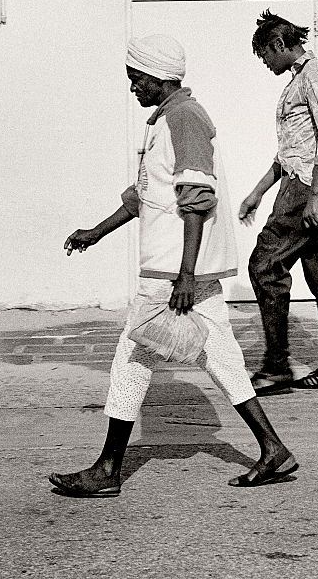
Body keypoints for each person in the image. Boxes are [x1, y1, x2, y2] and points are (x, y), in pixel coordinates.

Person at [49, 34, 297, 497]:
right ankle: (272, 448)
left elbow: (196, 199)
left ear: (157, 77)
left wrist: (185, 274)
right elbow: (145, 196)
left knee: (132, 356)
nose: (132, 87)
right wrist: (96, 232)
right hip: (180, 270)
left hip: (172, 272)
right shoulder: (167, 119)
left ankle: (108, 469)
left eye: (135, 78)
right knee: (221, 356)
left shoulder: (182, 119)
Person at [239, 11, 318, 396]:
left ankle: (276, 368)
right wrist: (258, 191)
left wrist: (316, 196)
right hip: (308, 183)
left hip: (308, 187)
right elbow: (291, 150)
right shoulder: (299, 81)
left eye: (265, 55)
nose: (266, 63)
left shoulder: (314, 75)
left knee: (265, 265)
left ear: (278, 45)